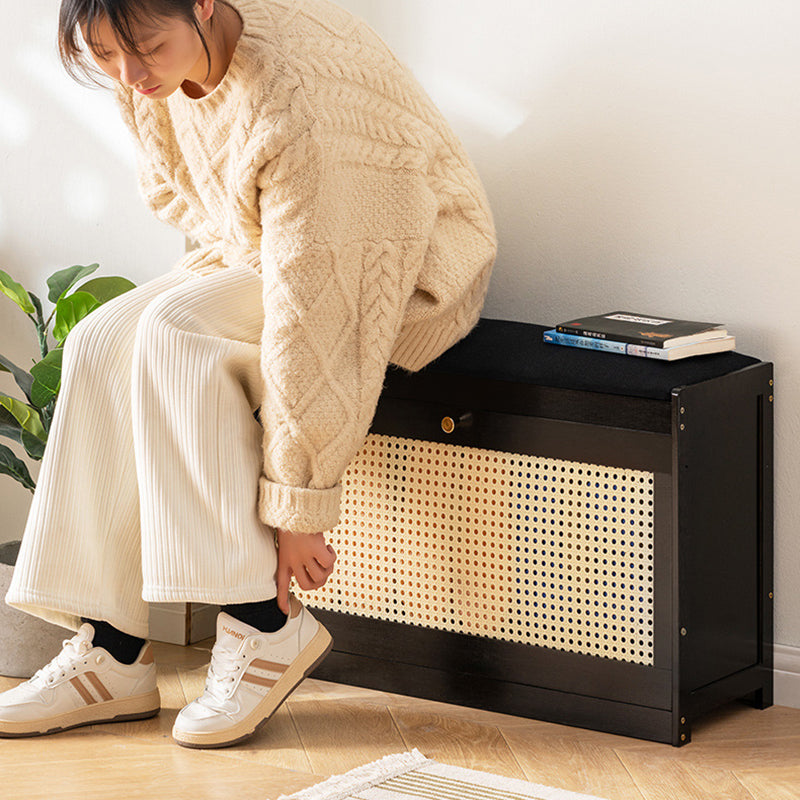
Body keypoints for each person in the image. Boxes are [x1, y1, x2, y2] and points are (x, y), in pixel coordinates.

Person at [0, 0, 497, 748]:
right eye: (104, 56)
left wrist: (300, 507)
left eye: (144, 51)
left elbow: (321, 316)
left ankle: (266, 624)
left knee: (179, 333)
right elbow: (178, 192)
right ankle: (112, 651)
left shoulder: (297, 97)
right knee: (101, 338)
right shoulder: (147, 63)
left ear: (203, 4)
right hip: (268, 249)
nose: (129, 77)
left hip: (394, 266)